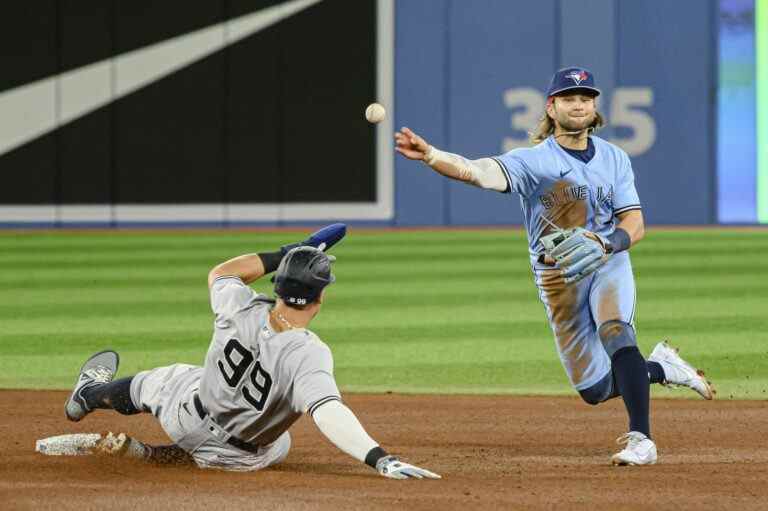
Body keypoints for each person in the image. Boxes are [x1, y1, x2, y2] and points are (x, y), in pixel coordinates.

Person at [394, 67, 714, 466]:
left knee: (617, 332)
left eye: (585, 97)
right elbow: (479, 172)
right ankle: (662, 369)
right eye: (568, 98)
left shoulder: (615, 159)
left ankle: (642, 440)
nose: (578, 104)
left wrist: (607, 242)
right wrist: (432, 156)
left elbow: (634, 223)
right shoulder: (534, 162)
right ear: (551, 107)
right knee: (594, 389)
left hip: (605, 261)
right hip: (557, 277)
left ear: (595, 106)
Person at [64, 224, 439, 479]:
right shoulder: (308, 354)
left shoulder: (239, 306)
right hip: (235, 459)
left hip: (184, 414)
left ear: (278, 286)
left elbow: (223, 272)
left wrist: (285, 252)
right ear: (320, 297)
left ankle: (87, 396)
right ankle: (166, 456)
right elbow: (328, 413)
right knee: (279, 441)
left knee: (160, 381)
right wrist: (380, 459)